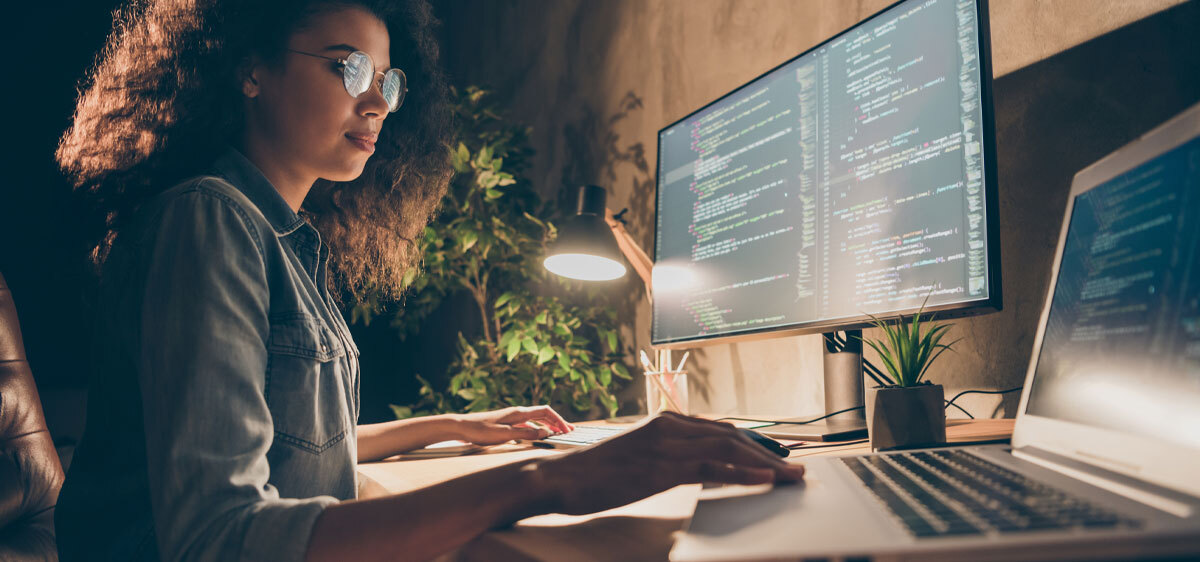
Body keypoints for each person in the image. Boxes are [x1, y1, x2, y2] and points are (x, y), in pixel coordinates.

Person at [53, 0, 806, 560]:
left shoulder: (285, 237)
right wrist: (543, 484)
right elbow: (219, 536)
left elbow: (296, 446)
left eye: (389, 80)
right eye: (349, 68)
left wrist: (454, 427)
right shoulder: (207, 223)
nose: (377, 102)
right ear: (250, 67)